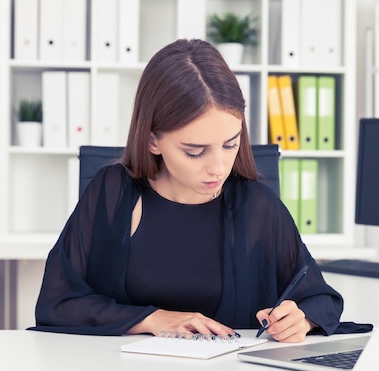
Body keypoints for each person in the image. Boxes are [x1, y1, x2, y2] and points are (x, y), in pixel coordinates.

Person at [30, 39, 345, 343]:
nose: (218, 167)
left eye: (230, 144)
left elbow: (321, 299)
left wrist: (301, 319)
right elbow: (57, 302)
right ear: (153, 140)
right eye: (195, 151)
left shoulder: (258, 206)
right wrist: (151, 319)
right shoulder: (111, 193)